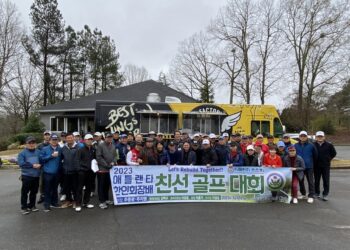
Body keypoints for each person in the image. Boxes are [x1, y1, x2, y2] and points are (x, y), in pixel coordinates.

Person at [18, 136, 42, 214]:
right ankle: (24, 207)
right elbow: (21, 164)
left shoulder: (38, 152)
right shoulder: (22, 153)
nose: (31, 144)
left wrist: (40, 164)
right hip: (26, 176)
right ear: (26, 144)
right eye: (30, 143)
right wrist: (32, 166)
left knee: (34, 192)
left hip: (36, 176)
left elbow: (42, 161)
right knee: (25, 192)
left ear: (35, 144)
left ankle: (32, 205)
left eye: (33, 143)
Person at [40, 134, 62, 212]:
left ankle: (54, 202)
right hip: (48, 172)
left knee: (55, 188)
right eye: (52, 140)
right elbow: (41, 159)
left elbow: (62, 159)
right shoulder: (44, 149)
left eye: (55, 140)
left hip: (57, 173)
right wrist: (51, 156)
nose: (54, 141)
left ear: (57, 140)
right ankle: (47, 205)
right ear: (49, 141)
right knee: (47, 189)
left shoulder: (60, 149)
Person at [295, 131, 317, 204]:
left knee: (310, 181)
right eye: (301, 136)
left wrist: (311, 163)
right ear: (299, 137)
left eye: (304, 136)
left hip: (309, 166)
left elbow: (315, 156)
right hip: (300, 167)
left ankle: (311, 195)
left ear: (306, 137)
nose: (303, 137)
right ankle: (303, 194)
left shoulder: (311, 145)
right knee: (301, 181)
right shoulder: (295, 145)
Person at [313, 131, 337, 201]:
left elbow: (334, 153)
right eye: (318, 136)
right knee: (316, 181)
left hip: (325, 166)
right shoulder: (313, 144)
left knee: (326, 181)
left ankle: (325, 194)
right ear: (316, 137)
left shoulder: (329, 145)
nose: (320, 138)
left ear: (324, 137)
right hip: (316, 166)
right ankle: (316, 193)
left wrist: (328, 159)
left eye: (321, 136)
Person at [96, 132, 117, 209]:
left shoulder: (113, 146)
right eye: (108, 137)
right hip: (102, 169)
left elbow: (115, 156)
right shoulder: (100, 145)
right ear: (105, 138)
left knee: (107, 185)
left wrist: (113, 162)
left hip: (110, 169)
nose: (109, 138)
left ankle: (107, 199)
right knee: (101, 185)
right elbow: (98, 157)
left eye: (111, 137)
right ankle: (102, 201)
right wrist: (106, 165)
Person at [76, 134, 96, 212]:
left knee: (88, 188)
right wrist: (80, 170)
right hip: (82, 172)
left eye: (91, 139)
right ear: (84, 140)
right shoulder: (80, 149)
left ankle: (85, 203)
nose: (89, 141)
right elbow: (77, 160)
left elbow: (94, 159)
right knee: (79, 188)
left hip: (90, 172)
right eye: (88, 139)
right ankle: (78, 204)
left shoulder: (93, 149)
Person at [60, 133, 80, 208]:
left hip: (75, 171)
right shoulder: (63, 148)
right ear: (65, 139)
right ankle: (68, 201)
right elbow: (61, 158)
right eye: (68, 138)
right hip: (66, 171)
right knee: (67, 188)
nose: (69, 139)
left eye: (71, 138)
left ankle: (75, 201)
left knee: (75, 188)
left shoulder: (78, 147)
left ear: (74, 138)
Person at [37, 130, 51, 204]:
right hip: (42, 166)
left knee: (50, 182)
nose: (47, 136)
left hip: (51, 166)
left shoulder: (53, 144)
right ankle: (42, 196)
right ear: (44, 136)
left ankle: (49, 196)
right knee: (42, 183)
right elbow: (37, 156)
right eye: (46, 135)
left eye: (48, 135)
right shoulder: (39, 145)